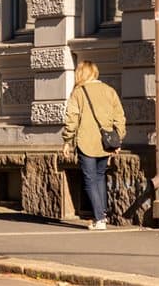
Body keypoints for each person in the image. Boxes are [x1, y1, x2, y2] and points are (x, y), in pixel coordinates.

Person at [61, 58, 127, 230]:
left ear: (81, 73)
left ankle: (99, 219)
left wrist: (67, 141)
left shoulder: (78, 93)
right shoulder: (109, 90)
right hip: (105, 143)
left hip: (86, 141)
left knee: (90, 180)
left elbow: (71, 119)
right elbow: (119, 117)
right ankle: (102, 216)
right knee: (99, 177)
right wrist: (118, 139)